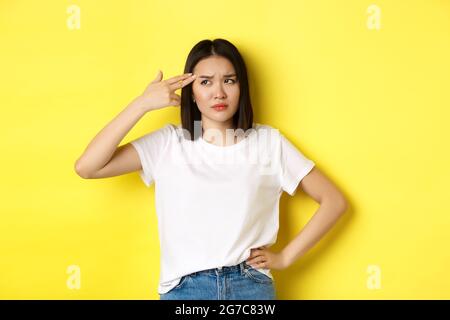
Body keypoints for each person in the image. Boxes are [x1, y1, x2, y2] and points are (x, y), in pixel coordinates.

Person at [74, 38, 348, 300]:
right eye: (205, 82)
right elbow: (88, 167)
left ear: (242, 87)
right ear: (191, 92)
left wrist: (286, 257)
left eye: (229, 80)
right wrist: (142, 104)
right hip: (185, 289)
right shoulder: (169, 143)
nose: (219, 92)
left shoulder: (268, 143)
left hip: (250, 286)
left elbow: (334, 201)